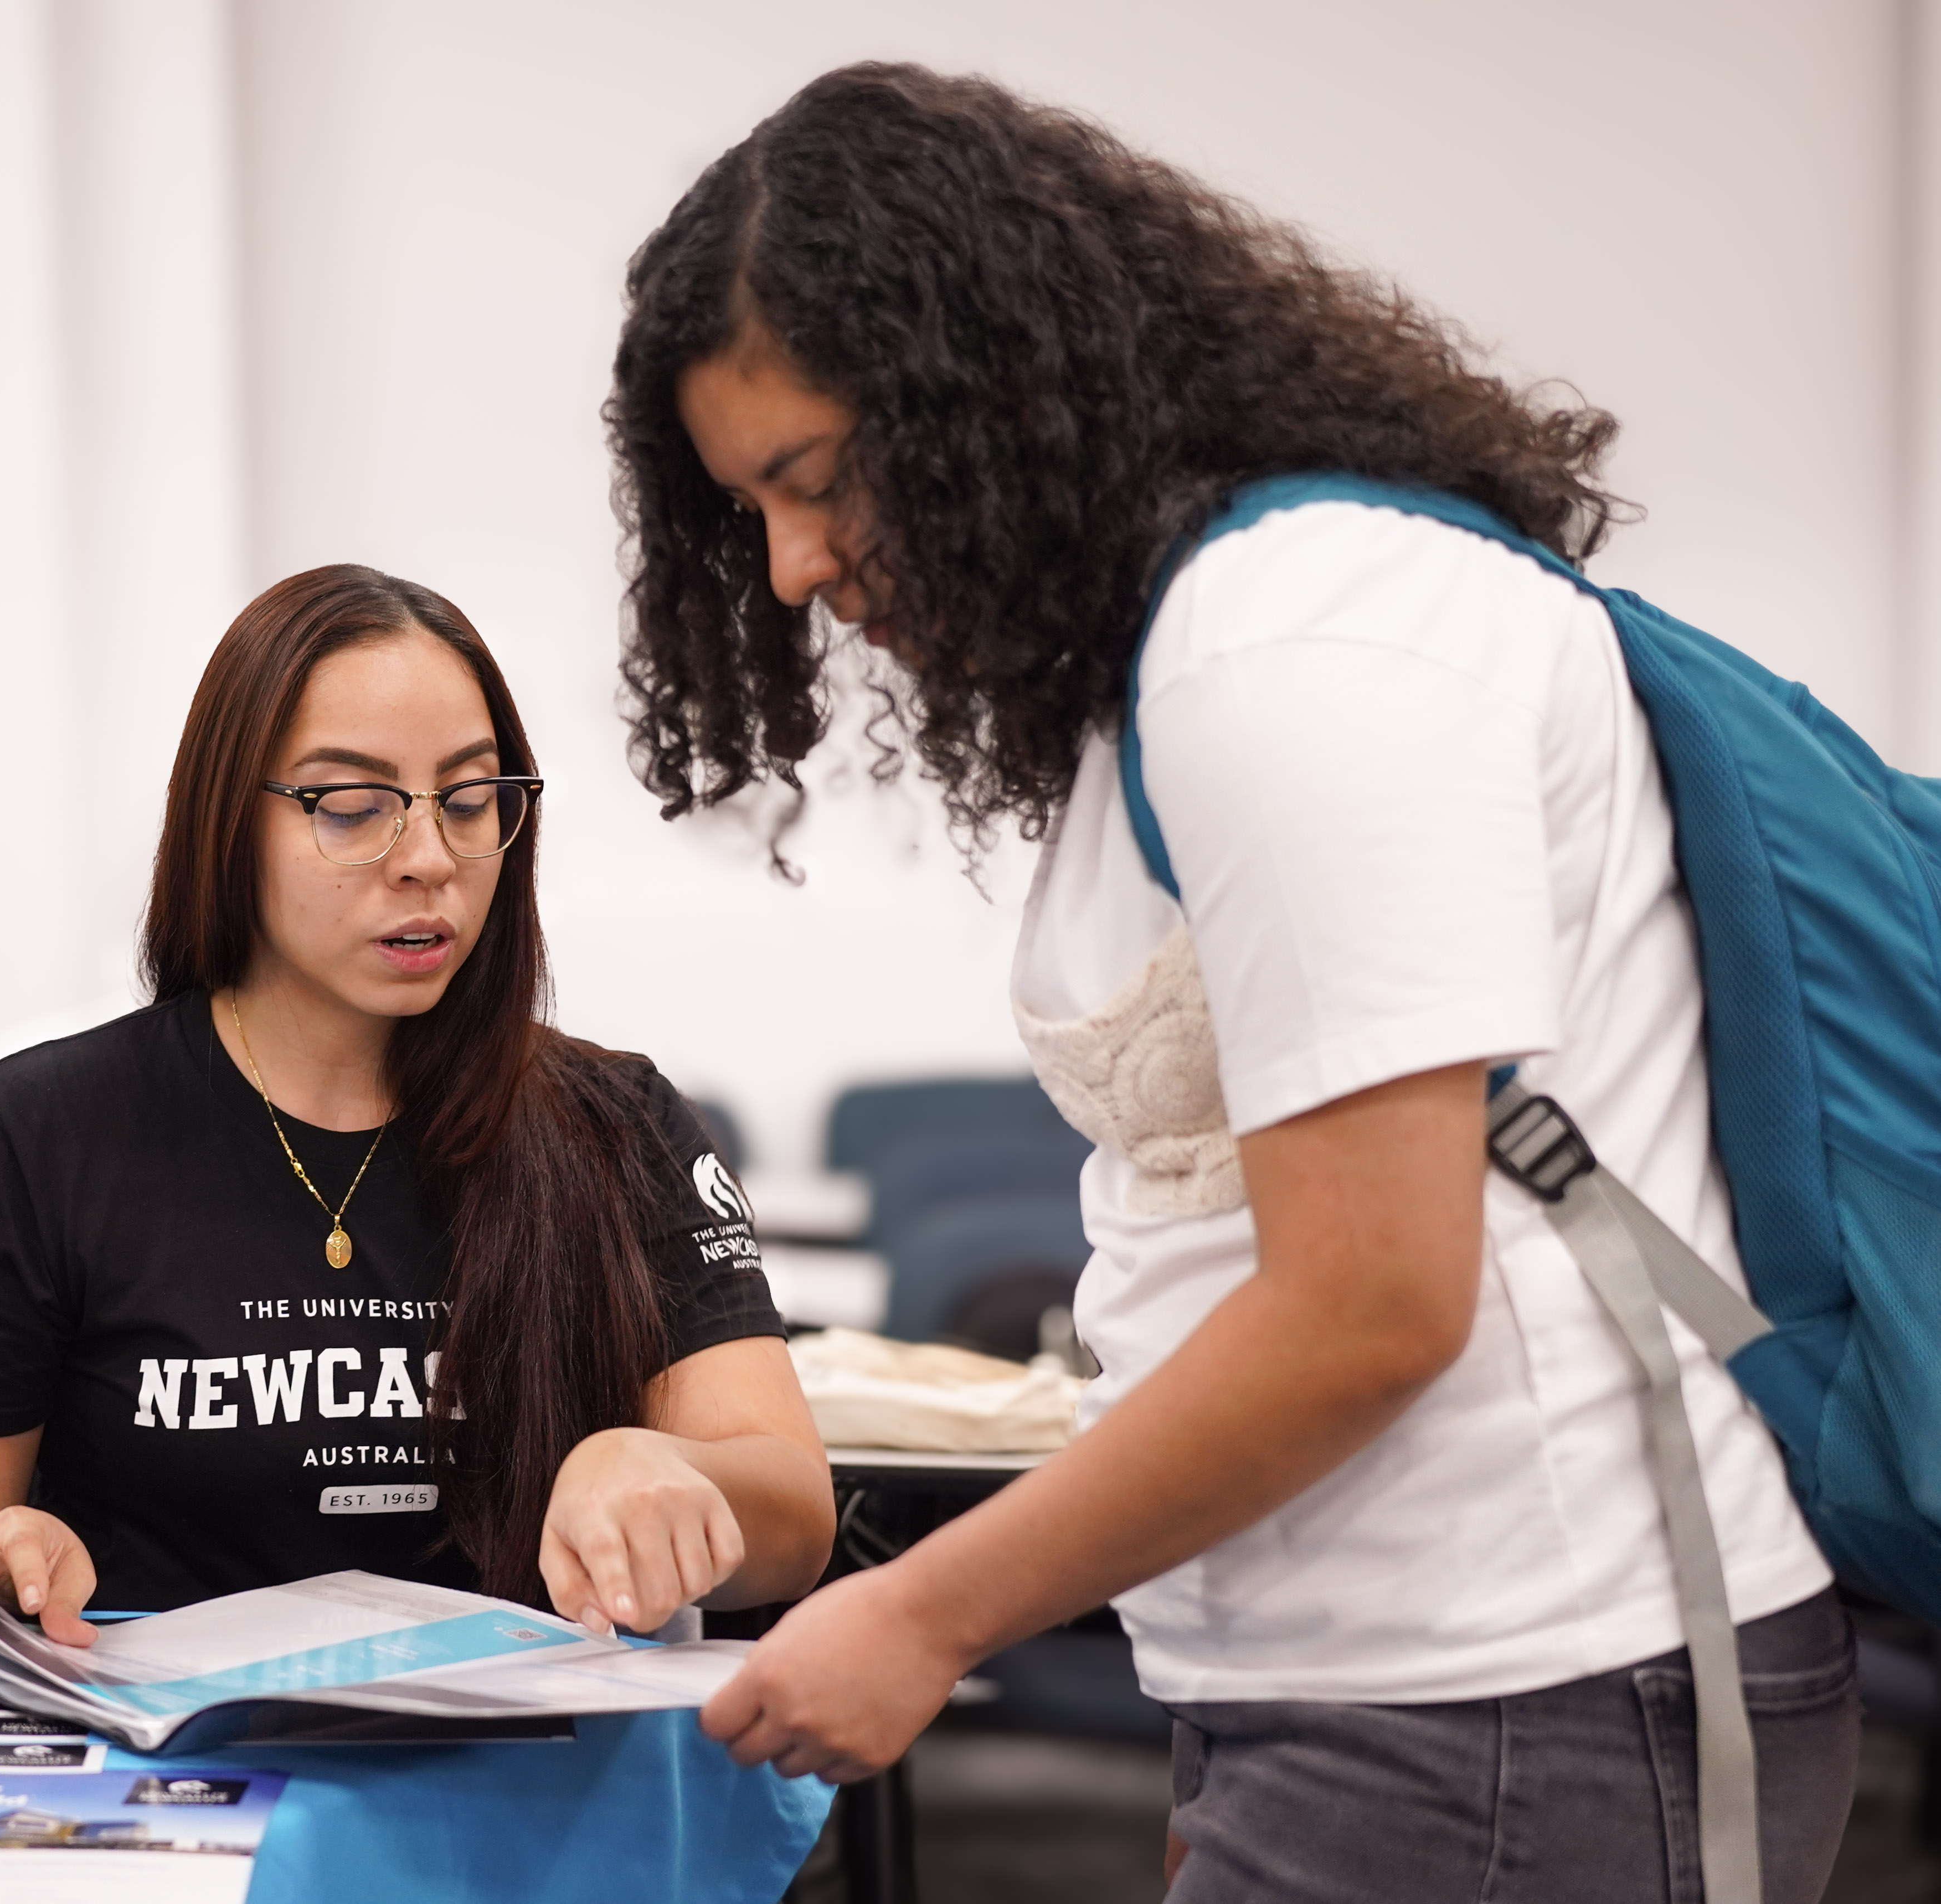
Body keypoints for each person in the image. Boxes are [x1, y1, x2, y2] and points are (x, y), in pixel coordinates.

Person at [606, 63, 1859, 1904]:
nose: (795, 571)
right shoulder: (1212, 639)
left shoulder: (1292, 646)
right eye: (751, 512)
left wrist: (923, 1615)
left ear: (980, 397)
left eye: (813, 483)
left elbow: (1372, 1301)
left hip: (1516, 1687)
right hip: (1397, 1693)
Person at [0, 564, 833, 1642]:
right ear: (229, 821)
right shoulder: (37, 1135)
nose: (428, 859)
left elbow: (792, 1512)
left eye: (470, 802)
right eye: (353, 809)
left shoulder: (616, 1123)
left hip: (528, 1771)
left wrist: (667, 1468)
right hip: (181, 1779)